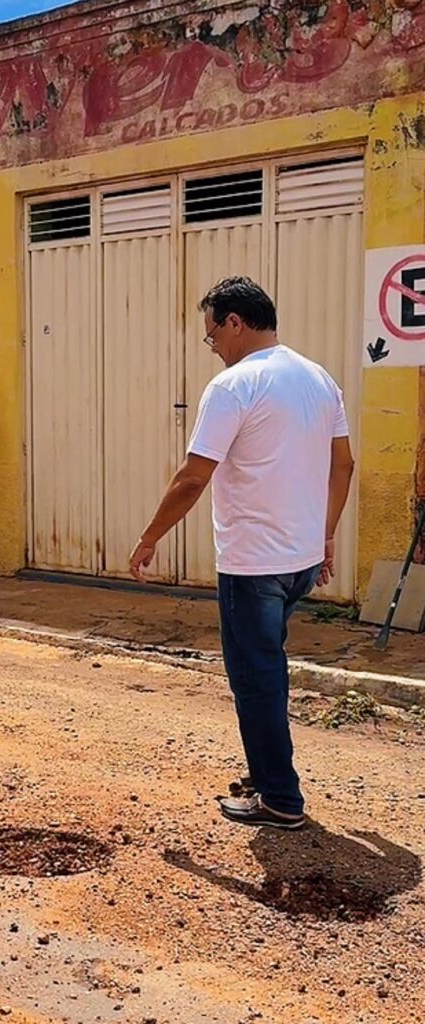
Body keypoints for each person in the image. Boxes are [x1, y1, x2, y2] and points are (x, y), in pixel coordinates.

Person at [129, 277, 354, 831]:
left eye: (212, 336)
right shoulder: (319, 378)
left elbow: (192, 478)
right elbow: (344, 465)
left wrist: (150, 536)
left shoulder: (234, 386)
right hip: (299, 561)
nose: (214, 348)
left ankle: (280, 800)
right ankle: (267, 769)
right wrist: (325, 535)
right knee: (267, 669)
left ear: (234, 322)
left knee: (257, 680)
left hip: (254, 566)